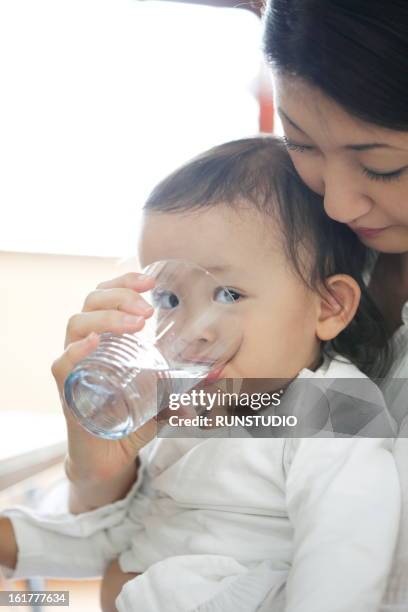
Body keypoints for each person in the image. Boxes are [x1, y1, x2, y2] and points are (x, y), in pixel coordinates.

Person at [0, 137, 400, 611]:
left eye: (228, 294)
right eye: (169, 299)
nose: (191, 331)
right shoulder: (191, 407)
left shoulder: (333, 404)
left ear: (329, 306)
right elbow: (135, 528)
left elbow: (343, 565)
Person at [262, 1, 408, 609]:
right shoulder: (292, 235)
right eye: (301, 144)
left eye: (383, 166)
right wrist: (102, 473)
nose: (339, 205)